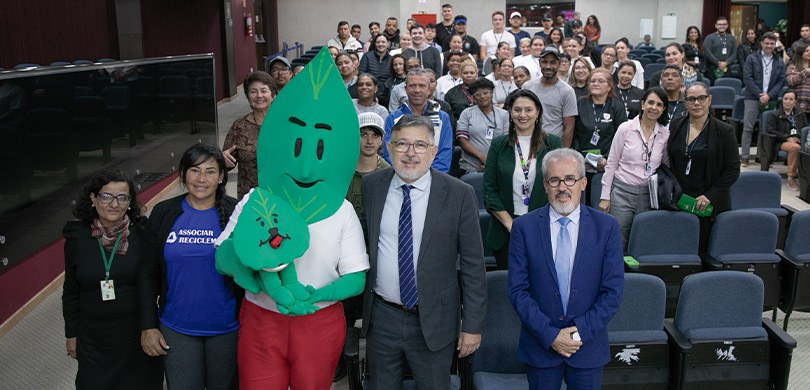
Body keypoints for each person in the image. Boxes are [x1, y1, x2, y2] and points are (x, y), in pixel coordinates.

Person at [360, 114, 486, 389]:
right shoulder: (372, 186)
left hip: (435, 320)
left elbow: (473, 266)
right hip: (382, 317)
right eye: (402, 144)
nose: (409, 153)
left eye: (419, 145)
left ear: (433, 151)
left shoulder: (459, 193)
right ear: (389, 148)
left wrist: (472, 325)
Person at [508, 147, 623, 389]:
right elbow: (518, 291)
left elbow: (612, 293)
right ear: (545, 185)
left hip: (587, 348)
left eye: (570, 179)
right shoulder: (524, 228)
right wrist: (551, 336)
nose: (562, 187)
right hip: (540, 347)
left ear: (582, 183)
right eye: (554, 180)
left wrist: (576, 334)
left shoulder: (607, 227)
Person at [141, 145, 241, 389]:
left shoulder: (236, 213)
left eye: (210, 171)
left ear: (220, 177)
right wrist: (148, 325)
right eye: (195, 170)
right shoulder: (164, 213)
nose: (201, 179)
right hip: (176, 326)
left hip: (227, 327)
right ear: (184, 174)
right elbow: (147, 274)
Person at [62, 169, 163, 390]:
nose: (114, 204)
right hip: (93, 338)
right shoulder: (77, 238)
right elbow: (71, 291)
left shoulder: (143, 233)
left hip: (136, 335)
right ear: (93, 198)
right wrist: (71, 333)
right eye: (106, 196)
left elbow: (153, 285)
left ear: (130, 201)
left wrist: (150, 327)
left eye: (122, 197)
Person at [484, 89, 562, 269]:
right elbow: (490, 191)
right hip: (506, 231)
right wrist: (512, 225)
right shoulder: (499, 145)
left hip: (543, 228)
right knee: (509, 285)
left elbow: (559, 186)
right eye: (517, 110)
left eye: (528, 110)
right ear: (510, 114)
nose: (522, 115)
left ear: (537, 113)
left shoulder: (553, 143)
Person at [667, 82, 740, 252]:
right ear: (685, 102)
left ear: (709, 99)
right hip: (680, 200)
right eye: (691, 99)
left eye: (701, 98)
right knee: (679, 249)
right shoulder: (677, 125)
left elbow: (733, 169)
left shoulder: (724, 131)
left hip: (706, 203)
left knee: (703, 249)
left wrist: (709, 196)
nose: (696, 103)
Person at [599, 87, 670, 249]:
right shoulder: (626, 128)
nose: (654, 107)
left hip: (649, 195)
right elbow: (612, 163)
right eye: (650, 102)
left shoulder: (664, 134)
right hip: (622, 192)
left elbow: (665, 166)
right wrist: (605, 196)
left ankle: (638, 275)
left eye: (659, 105)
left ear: (663, 109)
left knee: (642, 239)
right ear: (643, 104)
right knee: (618, 239)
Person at [384, 68, 453, 173]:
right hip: (401, 176)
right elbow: (389, 153)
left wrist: (429, 178)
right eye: (412, 86)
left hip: (433, 179)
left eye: (422, 86)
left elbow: (444, 154)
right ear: (405, 89)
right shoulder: (393, 118)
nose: (417, 90)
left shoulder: (442, 118)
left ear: (429, 89)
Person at [223, 71, 276, 198]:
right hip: (249, 197)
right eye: (253, 91)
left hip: (281, 193)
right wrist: (222, 159)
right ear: (247, 96)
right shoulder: (239, 126)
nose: (259, 95)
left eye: (264, 91)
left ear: (273, 95)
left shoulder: (286, 124)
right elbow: (226, 163)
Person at [741, 32, 786, 167]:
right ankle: (744, 157)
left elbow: (781, 81)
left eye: (772, 44)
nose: (769, 46)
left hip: (770, 99)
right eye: (766, 43)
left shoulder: (779, 60)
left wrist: (769, 95)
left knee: (765, 129)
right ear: (761, 43)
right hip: (753, 97)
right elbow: (747, 78)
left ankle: (762, 157)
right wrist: (760, 94)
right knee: (748, 128)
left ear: (775, 44)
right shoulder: (752, 58)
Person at [573, 68, 627, 176]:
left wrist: (607, 159)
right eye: (593, 81)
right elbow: (573, 134)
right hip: (581, 163)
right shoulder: (580, 103)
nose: (595, 84)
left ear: (609, 86)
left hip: (607, 163)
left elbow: (622, 137)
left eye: (601, 81)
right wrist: (579, 158)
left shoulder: (616, 106)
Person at [523, 46, 579, 147]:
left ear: (559, 64)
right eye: (545, 62)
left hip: (553, 146)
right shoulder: (527, 87)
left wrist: (563, 153)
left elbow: (569, 128)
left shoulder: (567, 91)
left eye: (553, 62)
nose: (548, 66)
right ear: (540, 63)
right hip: (528, 142)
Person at [457, 78, 509, 175]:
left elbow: (507, 141)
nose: (482, 96)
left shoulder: (504, 115)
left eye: (485, 93)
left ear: (492, 93)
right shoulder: (467, 113)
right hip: (471, 167)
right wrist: (482, 158)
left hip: (497, 165)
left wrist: (491, 162)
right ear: (473, 97)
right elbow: (462, 140)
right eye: (478, 94)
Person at [348, 112, 391, 217]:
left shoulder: (388, 173)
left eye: (375, 135)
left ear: (381, 140)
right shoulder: (344, 170)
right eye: (363, 135)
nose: (369, 141)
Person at [767, 90, 806, 190]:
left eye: (791, 99)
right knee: (795, 148)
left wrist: (800, 137)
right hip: (780, 142)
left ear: (795, 101)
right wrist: (787, 138)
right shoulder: (774, 114)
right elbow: (771, 131)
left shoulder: (800, 114)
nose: (788, 101)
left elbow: (805, 128)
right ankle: (791, 177)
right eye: (785, 99)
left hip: (799, 140)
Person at [703, 16, 736, 82]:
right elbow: (707, 52)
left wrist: (726, 63)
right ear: (716, 26)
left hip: (727, 68)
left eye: (724, 24)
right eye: (720, 24)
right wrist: (718, 63)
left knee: (726, 87)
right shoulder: (710, 37)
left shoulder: (731, 38)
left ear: (727, 25)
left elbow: (735, 52)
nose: (722, 26)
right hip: (712, 68)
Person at [786, 43, 810, 112]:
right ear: (800, 53)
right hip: (799, 103)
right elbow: (790, 81)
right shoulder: (793, 67)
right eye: (806, 51)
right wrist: (805, 72)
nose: (809, 53)